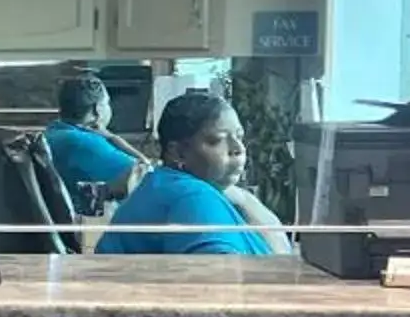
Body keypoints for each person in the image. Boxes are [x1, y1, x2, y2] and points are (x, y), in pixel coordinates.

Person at [100, 90, 293, 256]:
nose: (238, 148)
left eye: (239, 136)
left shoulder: (166, 183)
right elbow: (219, 284)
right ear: (179, 153)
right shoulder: (191, 196)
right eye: (217, 140)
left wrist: (242, 196)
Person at [39, 74, 146, 206]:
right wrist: (113, 138)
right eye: (107, 103)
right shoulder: (83, 143)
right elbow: (146, 175)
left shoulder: (52, 132)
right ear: (98, 109)